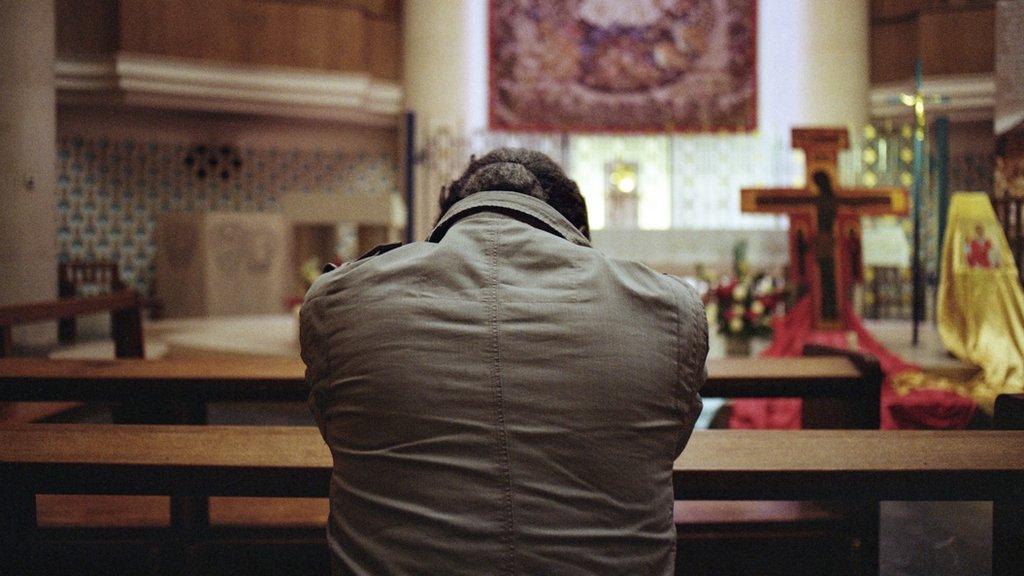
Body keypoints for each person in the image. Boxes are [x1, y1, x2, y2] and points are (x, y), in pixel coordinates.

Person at [300, 147, 708, 575]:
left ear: (447, 217)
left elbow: (335, 428)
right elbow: (668, 442)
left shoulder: (339, 302)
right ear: (578, 231)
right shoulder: (668, 309)